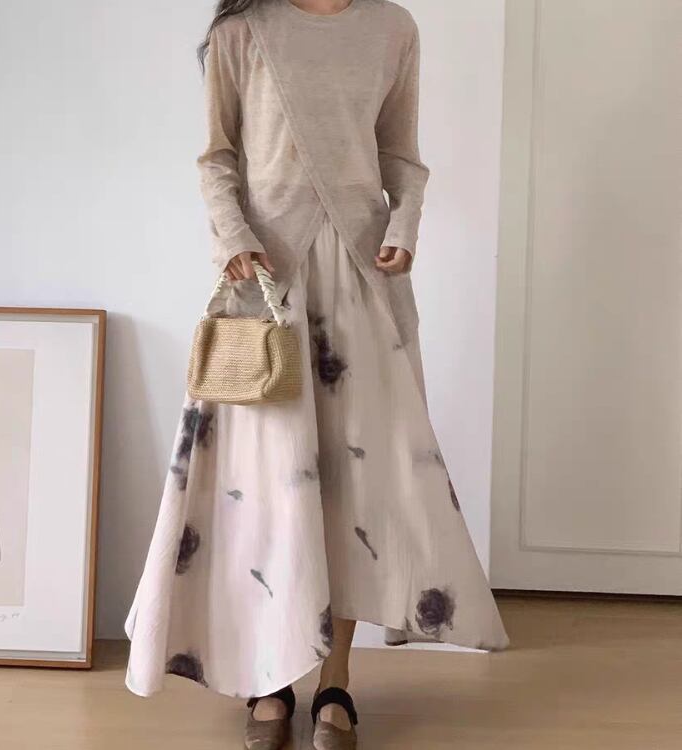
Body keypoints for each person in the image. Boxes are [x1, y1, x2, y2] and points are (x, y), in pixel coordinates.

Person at [124, 1, 509, 748]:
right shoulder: (242, 33)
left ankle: (336, 681)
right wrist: (234, 236)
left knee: (355, 488)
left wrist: (404, 226)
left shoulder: (393, 30)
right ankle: (268, 679)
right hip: (267, 284)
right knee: (261, 488)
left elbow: (402, 156)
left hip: (363, 283)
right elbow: (216, 157)